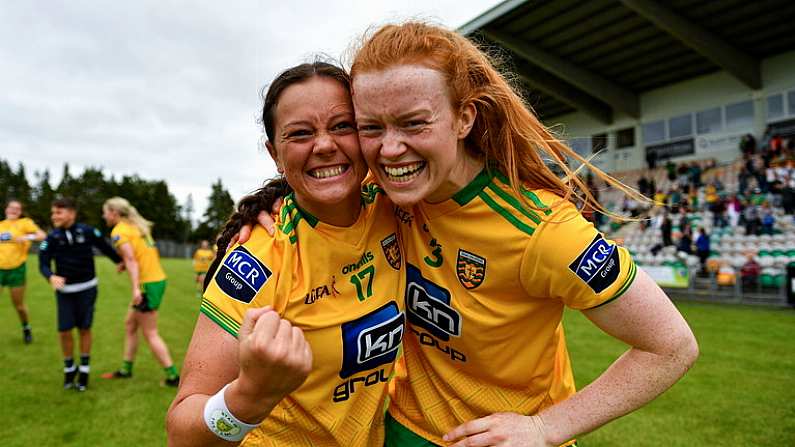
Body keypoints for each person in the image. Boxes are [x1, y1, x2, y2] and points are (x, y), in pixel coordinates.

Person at [242, 21, 699, 447]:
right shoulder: (384, 192)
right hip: (404, 431)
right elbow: (320, 180)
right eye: (370, 127)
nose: (390, 148)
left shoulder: (543, 230)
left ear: (464, 119)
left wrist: (544, 427)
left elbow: (671, 345)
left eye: (414, 122)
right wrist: (271, 199)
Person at [166, 61, 406, 446]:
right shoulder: (259, 258)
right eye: (300, 134)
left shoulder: (396, 204)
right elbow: (181, 433)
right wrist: (249, 396)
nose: (325, 145)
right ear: (274, 153)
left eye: (343, 125)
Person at [38, 197, 123, 391]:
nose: (54, 216)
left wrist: (120, 261)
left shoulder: (88, 231)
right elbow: (42, 263)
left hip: (87, 288)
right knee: (64, 330)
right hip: (65, 292)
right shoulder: (52, 238)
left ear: (71, 213)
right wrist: (50, 276)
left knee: (85, 328)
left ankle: (84, 369)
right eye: (53, 213)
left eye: (58, 212)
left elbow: (105, 248)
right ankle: (69, 368)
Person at [101, 197, 180, 386]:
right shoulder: (138, 227)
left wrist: (136, 288)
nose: (104, 216)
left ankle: (173, 376)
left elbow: (131, 260)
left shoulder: (119, 231)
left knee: (150, 332)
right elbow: (137, 255)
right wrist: (124, 264)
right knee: (130, 324)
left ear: (114, 213)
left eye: (105, 212)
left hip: (147, 284)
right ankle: (126, 369)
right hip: (155, 280)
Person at [0, 199, 46, 344]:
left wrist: (26, 237)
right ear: (6, 209)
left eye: (17, 208)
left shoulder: (25, 223)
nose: (13, 210)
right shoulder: (0, 226)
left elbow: (42, 235)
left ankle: (26, 328)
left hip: (17, 269)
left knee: (19, 306)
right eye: (11, 207)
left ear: (20, 212)